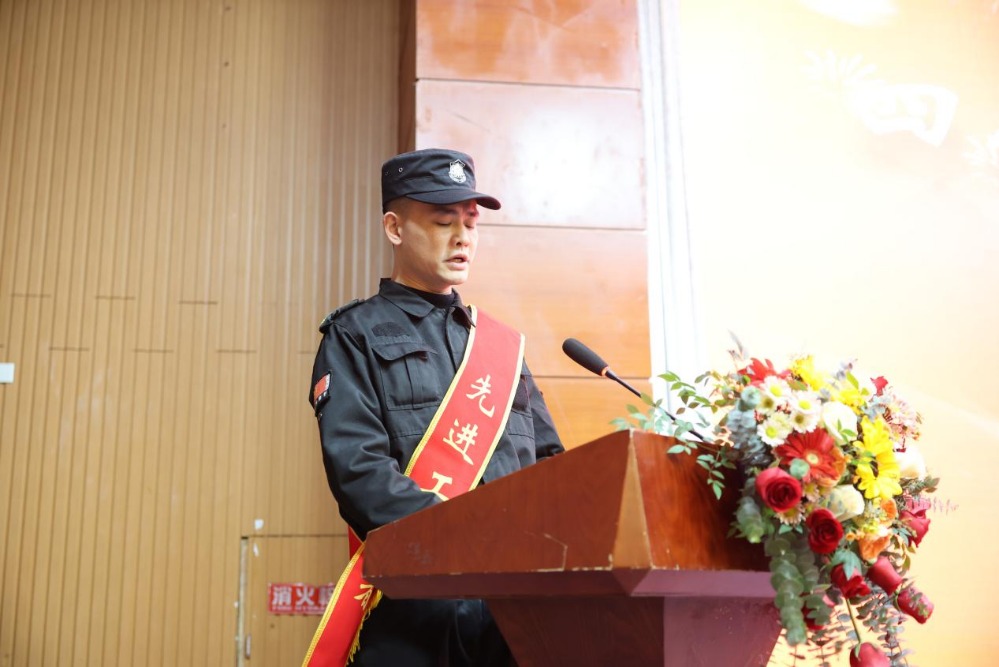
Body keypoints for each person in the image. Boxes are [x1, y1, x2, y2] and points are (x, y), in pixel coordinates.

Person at [306, 148, 564, 667]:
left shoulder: (501, 348)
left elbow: (551, 468)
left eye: (471, 223)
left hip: (514, 621)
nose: (462, 237)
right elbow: (359, 473)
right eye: (444, 221)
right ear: (394, 228)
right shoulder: (354, 336)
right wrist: (475, 541)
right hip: (413, 615)